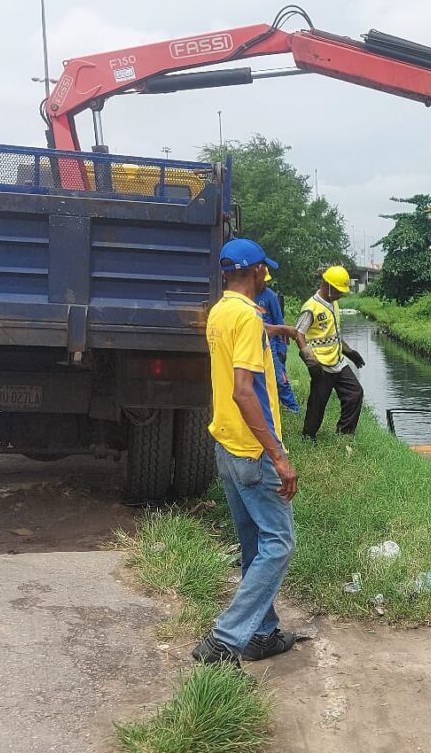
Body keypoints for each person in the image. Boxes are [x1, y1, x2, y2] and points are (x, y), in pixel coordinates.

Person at [194, 237, 300, 667]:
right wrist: (278, 455)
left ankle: (262, 633)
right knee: (280, 544)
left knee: (253, 541)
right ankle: (225, 640)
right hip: (253, 452)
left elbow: (248, 334)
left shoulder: (222, 312)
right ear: (256, 272)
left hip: (227, 446)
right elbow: (243, 391)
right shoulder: (247, 317)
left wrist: (279, 330)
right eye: (264, 271)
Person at [295, 266, 365, 439]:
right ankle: (308, 436)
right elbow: (298, 334)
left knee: (355, 393)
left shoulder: (334, 303)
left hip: (338, 361)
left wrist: (350, 352)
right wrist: (310, 360)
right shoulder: (311, 307)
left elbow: (334, 335)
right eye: (338, 291)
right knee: (318, 403)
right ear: (327, 285)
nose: (340, 295)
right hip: (321, 364)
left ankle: (345, 433)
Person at [254, 271, 301, 414]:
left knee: (280, 378)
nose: (265, 283)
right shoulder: (246, 294)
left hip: (271, 344)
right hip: (252, 343)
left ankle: (292, 408)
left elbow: (279, 323)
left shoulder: (270, 296)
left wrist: (282, 349)